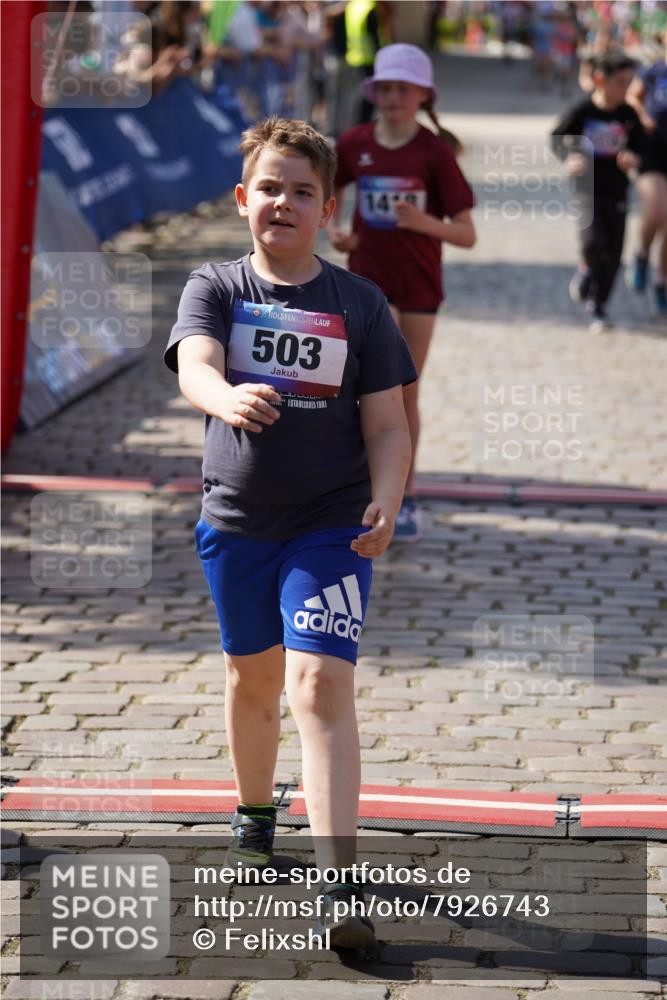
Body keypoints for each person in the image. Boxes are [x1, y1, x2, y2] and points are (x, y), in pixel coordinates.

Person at [164, 116, 415, 953]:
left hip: (331, 525)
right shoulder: (217, 287)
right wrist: (221, 397)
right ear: (243, 200)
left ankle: (338, 884)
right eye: (269, 187)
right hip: (234, 523)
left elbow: (388, 424)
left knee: (316, 687)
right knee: (252, 682)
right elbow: (196, 361)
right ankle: (254, 812)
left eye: (301, 191)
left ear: (328, 209)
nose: (283, 202)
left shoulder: (360, 304)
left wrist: (386, 497)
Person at [328, 43, 475, 541]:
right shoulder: (354, 142)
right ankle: (360, 488)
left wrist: (423, 221)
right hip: (368, 279)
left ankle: (404, 497)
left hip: (420, 284)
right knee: (371, 385)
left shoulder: (434, 152)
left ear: (421, 96)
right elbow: (328, 191)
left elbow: (466, 233)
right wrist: (338, 231)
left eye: (402, 89)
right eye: (384, 88)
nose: (391, 97)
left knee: (404, 394)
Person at [552, 50, 645, 333]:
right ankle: (586, 268)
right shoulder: (584, 110)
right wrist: (569, 156)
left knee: (614, 252)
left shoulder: (628, 114)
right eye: (620, 82)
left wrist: (633, 156)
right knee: (594, 242)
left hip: (617, 189)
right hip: (587, 187)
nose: (626, 89)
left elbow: (640, 145)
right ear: (600, 80)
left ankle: (599, 303)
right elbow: (557, 136)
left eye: (629, 82)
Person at [625, 30, 667, 318]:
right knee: (655, 211)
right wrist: (642, 116)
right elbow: (632, 96)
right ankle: (641, 254)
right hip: (652, 150)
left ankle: (661, 282)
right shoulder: (654, 71)